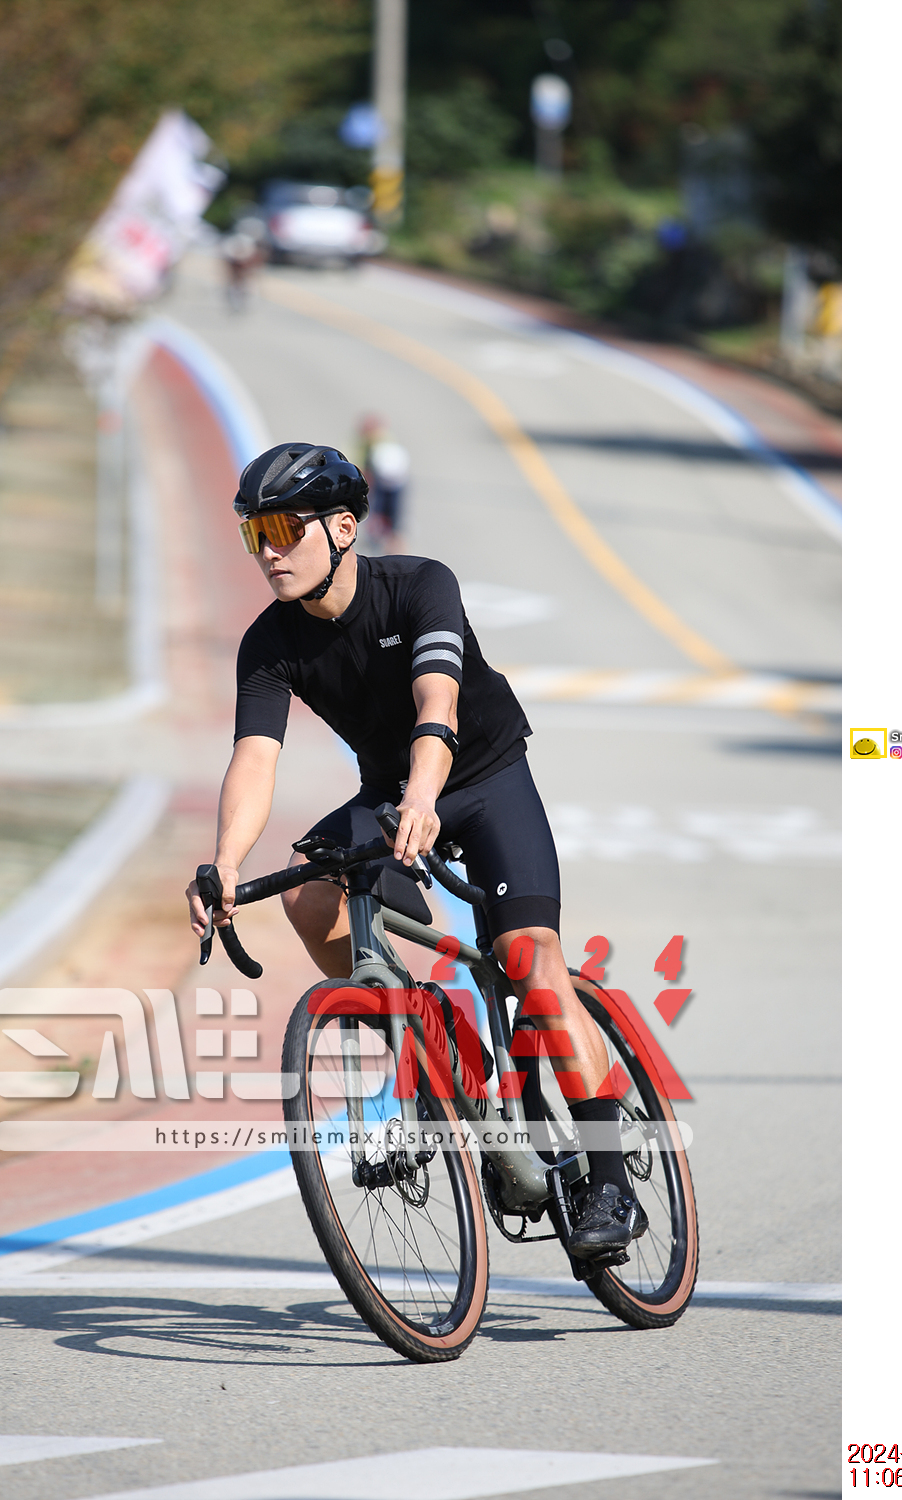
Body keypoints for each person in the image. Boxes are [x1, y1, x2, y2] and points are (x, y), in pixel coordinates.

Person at [184, 441, 646, 1256]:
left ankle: (610, 1180)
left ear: (343, 528)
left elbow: (439, 700)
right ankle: (432, 1035)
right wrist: (224, 863)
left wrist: (426, 797)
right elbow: (254, 758)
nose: (269, 552)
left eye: (285, 529)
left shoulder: (420, 586)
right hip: (392, 792)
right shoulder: (270, 642)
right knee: (308, 894)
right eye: (256, 534)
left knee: (529, 959)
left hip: (483, 776)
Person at [355, 413, 408, 548]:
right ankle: (381, 536)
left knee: (391, 517)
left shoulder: (384, 444)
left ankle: (392, 541)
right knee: (379, 512)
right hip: (385, 482)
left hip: (391, 482)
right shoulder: (366, 444)